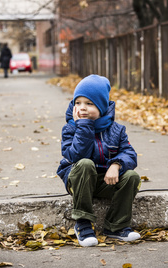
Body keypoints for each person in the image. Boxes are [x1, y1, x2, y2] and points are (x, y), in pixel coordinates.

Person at [57, 74, 141, 247]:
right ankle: (83, 223)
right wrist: (84, 126)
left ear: (102, 106)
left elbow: (130, 153)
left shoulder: (117, 130)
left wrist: (116, 165)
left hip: (105, 181)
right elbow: (75, 156)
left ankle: (116, 226)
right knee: (86, 164)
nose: (82, 108)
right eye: (78, 103)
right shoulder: (70, 128)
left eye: (89, 103)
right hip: (79, 179)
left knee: (132, 176)